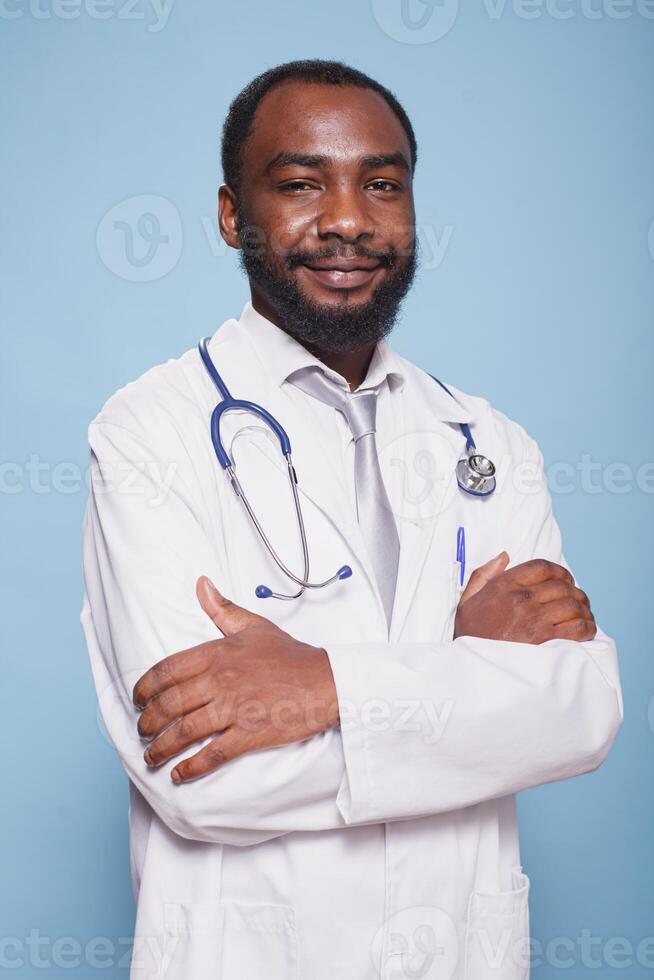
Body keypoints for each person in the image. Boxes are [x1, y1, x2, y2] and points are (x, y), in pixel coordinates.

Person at [81, 59, 623, 980]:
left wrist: (323, 687)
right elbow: (206, 778)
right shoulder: (147, 432)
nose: (347, 220)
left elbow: (581, 713)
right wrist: (469, 683)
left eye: (382, 184)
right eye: (300, 184)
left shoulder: (485, 439)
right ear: (229, 215)